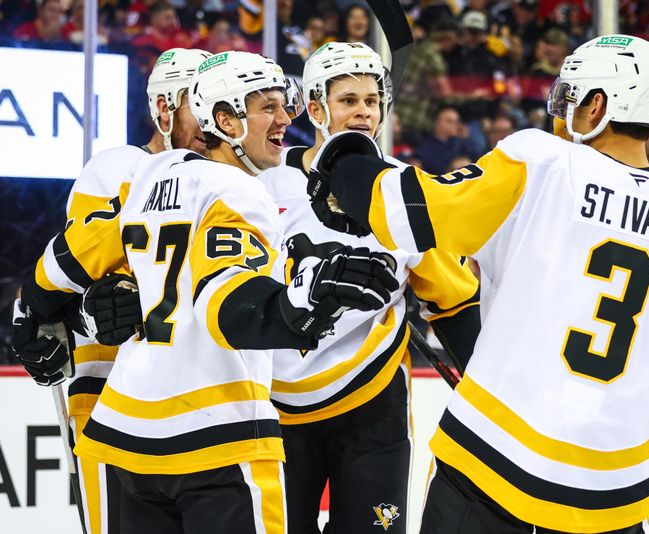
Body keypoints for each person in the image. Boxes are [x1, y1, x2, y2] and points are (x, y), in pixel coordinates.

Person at [307, 34, 649, 533]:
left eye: (571, 99)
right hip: (614, 499)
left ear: (598, 105)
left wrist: (342, 158)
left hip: (488, 468)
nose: (560, 115)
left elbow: (405, 211)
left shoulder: (540, 163)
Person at [12, 51, 398, 533]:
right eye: (269, 107)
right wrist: (304, 301)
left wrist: (30, 310)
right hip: (217, 436)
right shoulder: (239, 192)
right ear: (225, 118)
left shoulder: (151, 177)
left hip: (127, 437)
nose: (285, 119)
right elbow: (228, 306)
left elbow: (68, 254)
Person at [259, 41, 481, 534]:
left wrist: (487, 384)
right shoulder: (265, 185)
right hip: (273, 404)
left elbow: (453, 298)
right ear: (315, 108)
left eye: (371, 100)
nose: (363, 111)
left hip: (372, 405)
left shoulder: (403, 190)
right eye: (347, 100)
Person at [9, 47, 211, 534]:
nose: (213, 116)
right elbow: (87, 277)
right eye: (198, 102)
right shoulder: (118, 168)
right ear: (164, 107)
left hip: (207, 395)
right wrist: (64, 313)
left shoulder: (233, 180)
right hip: (110, 389)